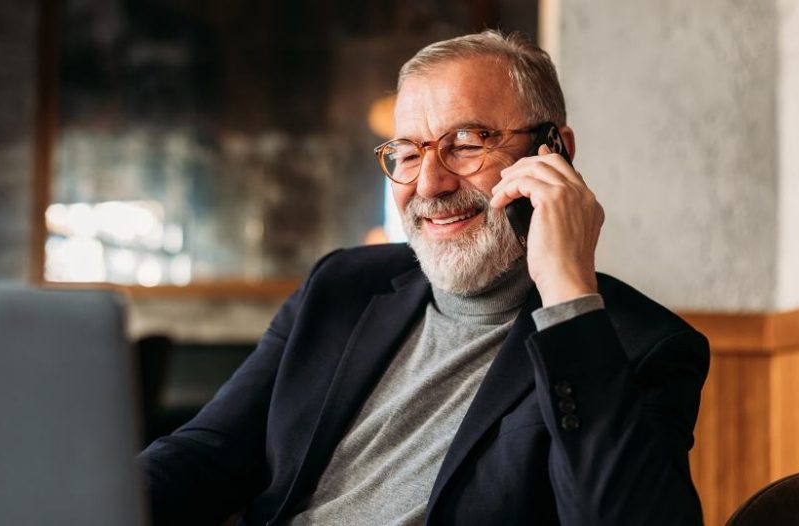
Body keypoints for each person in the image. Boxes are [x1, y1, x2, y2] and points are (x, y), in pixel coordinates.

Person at [140, 30, 710, 525]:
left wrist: (566, 290)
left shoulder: (641, 346)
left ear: (554, 152)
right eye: (408, 154)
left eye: (465, 144)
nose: (430, 183)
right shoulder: (342, 286)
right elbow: (207, 453)